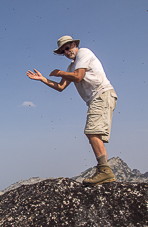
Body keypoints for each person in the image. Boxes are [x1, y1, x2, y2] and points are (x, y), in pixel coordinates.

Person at [26, 35, 117, 186]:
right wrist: (43, 79)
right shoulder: (71, 67)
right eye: (63, 52)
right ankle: (104, 171)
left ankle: (104, 171)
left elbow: (78, 77)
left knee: (92, 132)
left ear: (74, 44)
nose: (67, 53)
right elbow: (61, 87)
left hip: (102, 94)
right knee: (94, 134)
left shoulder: (84, 53)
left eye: (67, 48)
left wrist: (59, 73)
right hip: (97, 98)